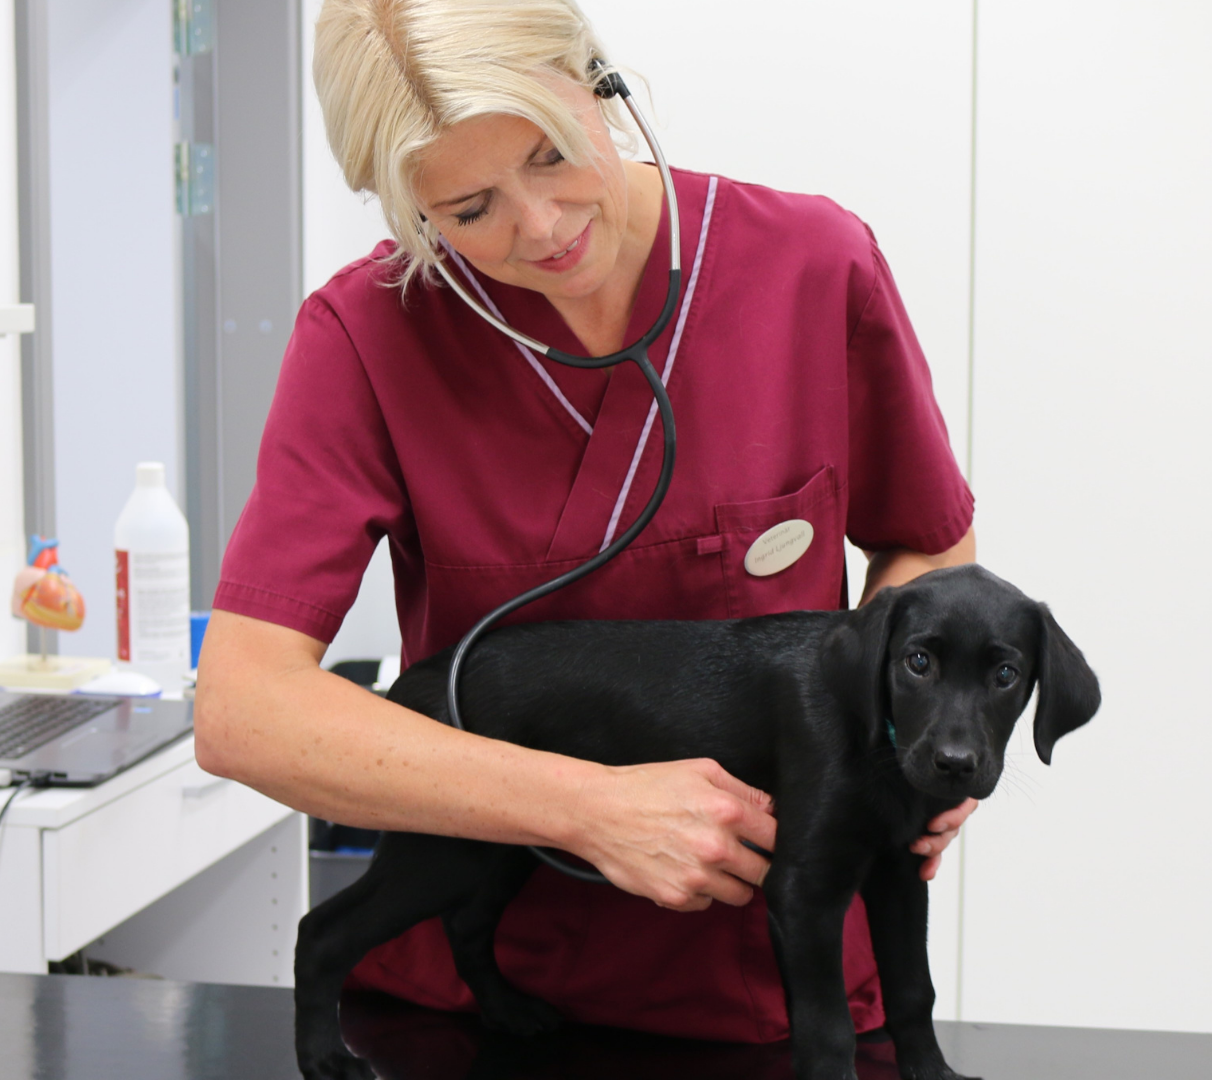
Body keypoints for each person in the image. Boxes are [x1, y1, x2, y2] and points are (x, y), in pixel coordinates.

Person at [195, 0, 978, 1044]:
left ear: (598, 81)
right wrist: (585, 807)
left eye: (553, 155)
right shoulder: (365, 336)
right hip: (482, 996)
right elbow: (246, 710)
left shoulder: (811, 264)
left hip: (775, 985)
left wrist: (904, 731)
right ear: (405, 211)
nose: (542, 226)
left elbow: (925, 539)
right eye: (470, 210)